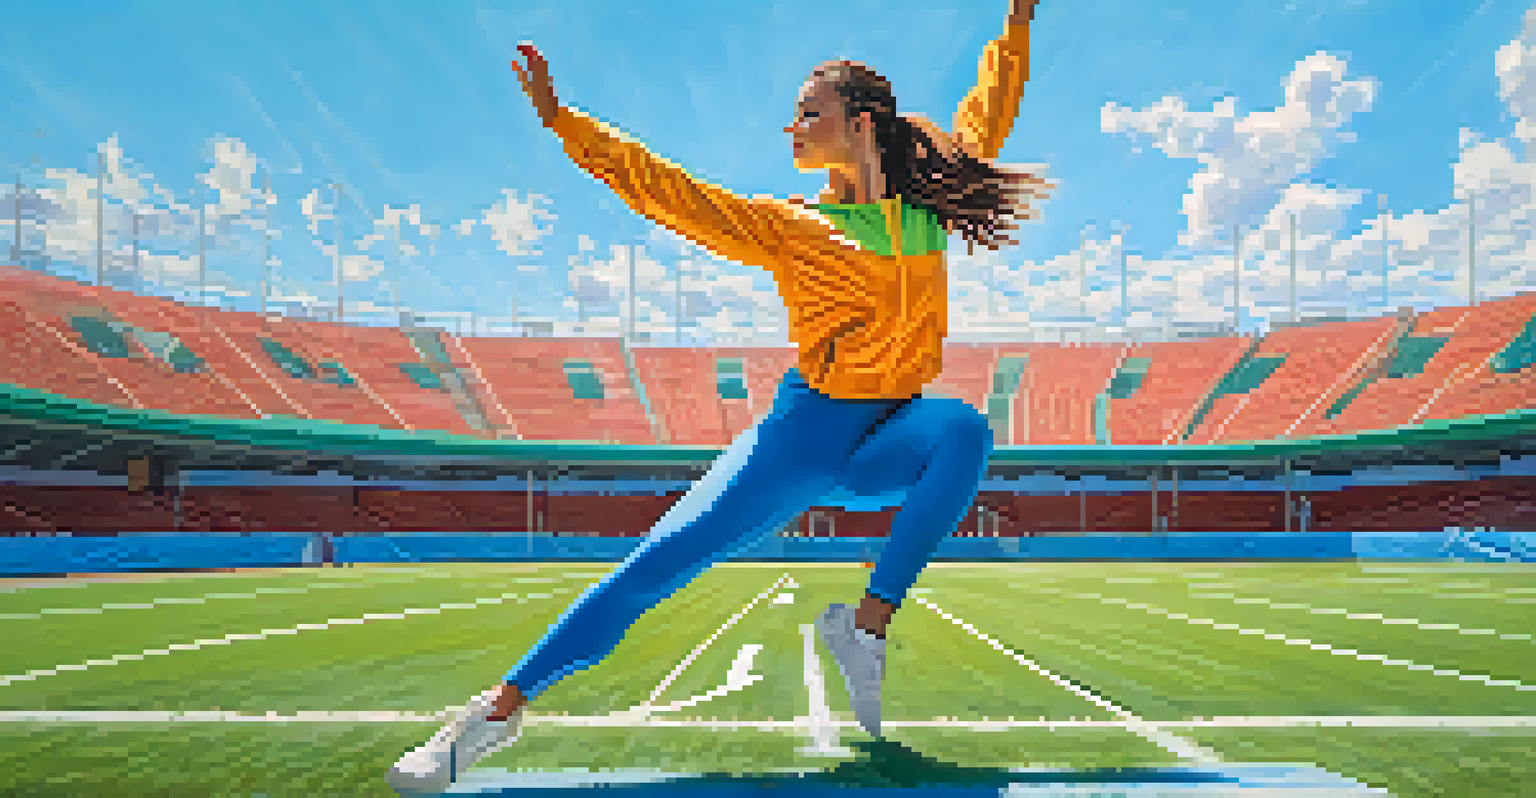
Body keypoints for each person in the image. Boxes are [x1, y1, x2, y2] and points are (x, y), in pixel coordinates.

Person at [390, 1, 1047, 791]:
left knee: (966, 430)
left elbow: (987, 108)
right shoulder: (793, 225)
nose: (792, 127)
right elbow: (671, 192)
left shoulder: (929, 201)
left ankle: (864, 628)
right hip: (802, 438)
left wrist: (1016, 21)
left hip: (893, 435)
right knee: (652, 569)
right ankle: (487, 719)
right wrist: (568, 125)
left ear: (864, 122)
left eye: (810, 112)